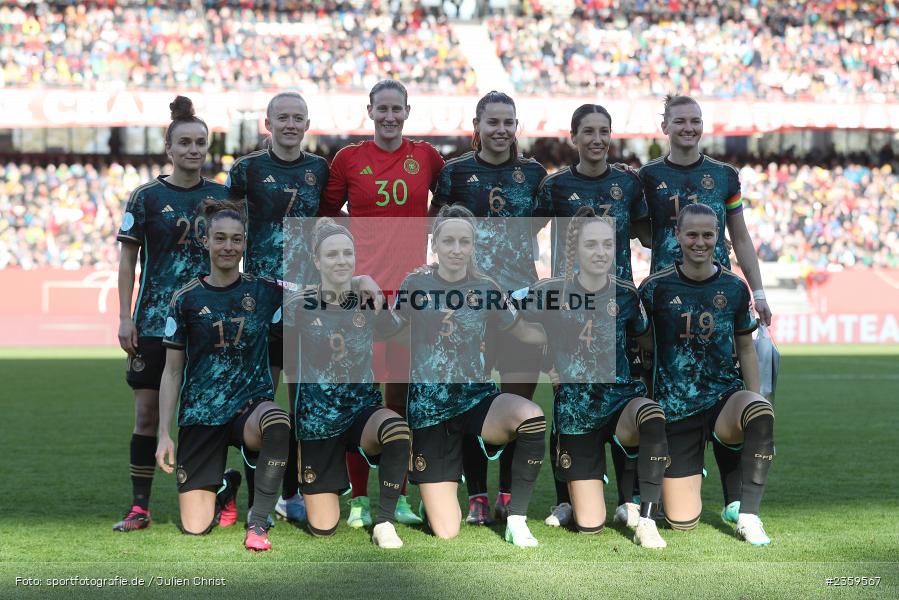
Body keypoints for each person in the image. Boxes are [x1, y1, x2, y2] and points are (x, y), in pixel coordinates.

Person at [636, 95, 772, 524]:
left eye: (695, 121)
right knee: (659, 386)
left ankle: (736, 496)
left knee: (727, 382)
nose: (688, 128)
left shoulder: (724, 176)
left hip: (717, 292)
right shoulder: (647, 176)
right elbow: (638, 232)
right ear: (665, 127)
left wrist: (759, 290)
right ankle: (650, 490)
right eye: (680, 121)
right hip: (664, 296)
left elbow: (741, 236)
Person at [321, 79, 444, 528]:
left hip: (410, 301)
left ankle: (399, 495)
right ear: (369, 110)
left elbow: (446, 208)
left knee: (400, 401)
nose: (390, 116)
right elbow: (328, 214)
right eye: (382, 109)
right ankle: (357, 498)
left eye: (397, 109)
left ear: (407, 111)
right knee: (359, 396)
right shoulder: (348, 160)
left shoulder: (427, 157)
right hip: (360, 298)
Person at [394, 205, 548, 547]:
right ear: (435, 244)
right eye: (448, 241)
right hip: (429, 413)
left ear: (472, 246)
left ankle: (517, 519)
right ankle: (439, 489)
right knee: (446, 530)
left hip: (475, 400)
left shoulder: (486, 286)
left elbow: (523, 331)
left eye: (464, 241)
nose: (456, 248)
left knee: (531, 416)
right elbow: (391, 329)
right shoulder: (415, 283)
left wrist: (560, 329)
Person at [114, 96, 230, 532]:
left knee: (207, 414)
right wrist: (125, 317)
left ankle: (220, 490)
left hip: (206, 323)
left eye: (200, 142)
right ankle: (139, 507)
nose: (193, 149)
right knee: (146, 415)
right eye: (184, 142)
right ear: (169, 148)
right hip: (150, 324)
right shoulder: (145, 197)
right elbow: (128, 261)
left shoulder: (221, 196)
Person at [432, 91, 547, 525]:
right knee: (469, 399)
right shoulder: (455, 173)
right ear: (477, 125)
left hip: (522, 301)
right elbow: (437, 229)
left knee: (520, 400)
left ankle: (507, 494)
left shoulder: (534, 174)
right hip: (469, 307)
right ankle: (477, 493)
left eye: (508, 122)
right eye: (493, 122)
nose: (501, 130)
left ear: (516, 126)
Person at [526, 207, 668, 548]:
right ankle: (569, 501)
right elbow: (521, 331)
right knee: (589, 524)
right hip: (577, 414)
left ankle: (646, 519)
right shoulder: (550, 292)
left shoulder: (626, 294)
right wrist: (550, 366)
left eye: (607, 244)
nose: (601, 252)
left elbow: (647, 341)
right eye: (592, 245)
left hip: (621, 404)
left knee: (651, 414)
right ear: (577, 249)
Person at [535, 104, 649, 527]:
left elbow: (646, 233)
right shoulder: (555, 186)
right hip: (570, 308)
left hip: (619, 306)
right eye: (589, 131)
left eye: (604, 131)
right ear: (574, 137)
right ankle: (565, 498)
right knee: (568, 398)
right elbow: (527, 234)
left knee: (625, 395)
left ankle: (629, 498)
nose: (597, 139)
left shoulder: (628, 182)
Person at [155, 201, 290, 551]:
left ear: (245, 243)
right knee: (195, 527)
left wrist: (360, 279)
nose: (228, 246)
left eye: (236, 239)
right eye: (220, 238)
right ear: (206, 241)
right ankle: (226, 487)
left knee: (277, 421)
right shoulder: (184, 299)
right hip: (201, 414)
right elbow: (172, 372)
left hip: (249, 409)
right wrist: (163, 434)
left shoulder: (265, 290)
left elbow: (320, 288)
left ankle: (258, 523)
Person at [638, 203, 775, 546]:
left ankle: (749, 516)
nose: (700, 242)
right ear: (677, 236)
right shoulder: (655, 287)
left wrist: (755, 394)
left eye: (708, 234)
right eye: (693, 234)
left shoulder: (734, 287)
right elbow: (642, 346)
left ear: (718, 238)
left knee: (759, 412)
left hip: (722, 399)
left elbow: (745, 348)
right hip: (676, 408)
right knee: (681, 521)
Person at [227, 91, 329, 524]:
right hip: (260, 302)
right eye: (282, 117)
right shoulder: (246, 170)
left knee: (304, 403)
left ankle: (296, 492)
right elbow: (225, 232)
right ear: (268, 123)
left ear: (308, 124)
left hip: (308, 304)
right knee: (262, 404)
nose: (290, 124)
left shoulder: (320, 170)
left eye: (298, 118)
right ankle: (260, 499)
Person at [285, 219, 411, 549]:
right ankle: (304, 494)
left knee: (396, 429)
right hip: (317, 424)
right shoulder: (298, 305)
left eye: (347, 253)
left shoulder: (367, 300)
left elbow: (404, 334)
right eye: (332, 255)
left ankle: (384, 522)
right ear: (316, 260)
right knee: (323, 528)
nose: (341, 260)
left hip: (361, 412)